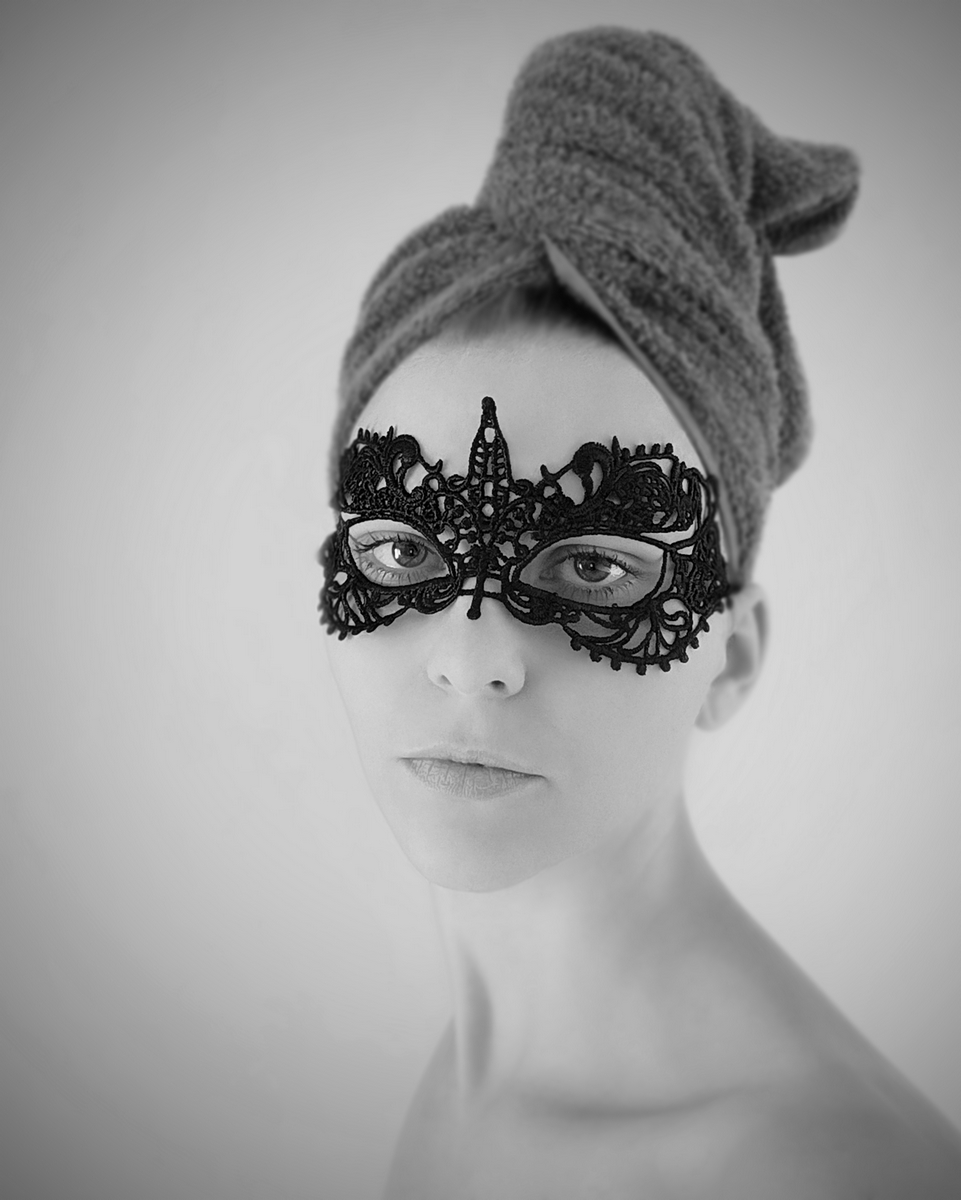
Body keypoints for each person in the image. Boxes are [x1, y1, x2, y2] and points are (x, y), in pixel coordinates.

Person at [318, 27, 961, 1199]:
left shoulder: (824, 1174)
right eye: (402, 550)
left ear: (732, 655)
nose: (472, 656)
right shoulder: (467, 1078)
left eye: (593, 572)